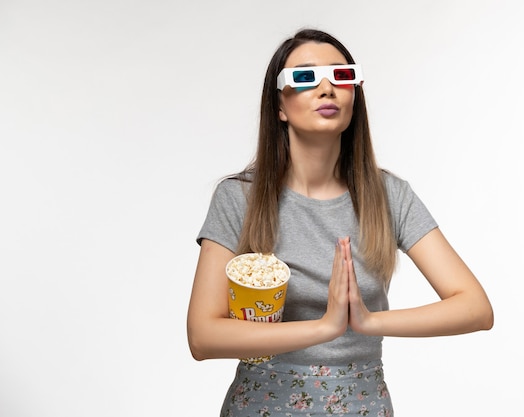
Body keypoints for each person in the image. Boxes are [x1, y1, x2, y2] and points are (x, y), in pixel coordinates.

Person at [187, 28, 494, 416]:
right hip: (262, 405)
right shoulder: (239, 198)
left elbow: (476, 308)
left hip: (361, 404)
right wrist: (326, 327)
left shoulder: (388, 195)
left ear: (355, 96)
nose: (327, 87)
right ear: (279, 106)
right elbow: (203, 337)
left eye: (342, 75)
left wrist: (367, 321)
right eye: (304, 77)